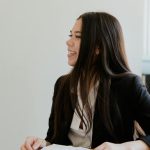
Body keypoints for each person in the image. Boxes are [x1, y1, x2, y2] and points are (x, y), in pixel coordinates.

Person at [20, 12, 150, 150]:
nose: (68, 42)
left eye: (78, 37)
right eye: (71, 35)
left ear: (98, 47)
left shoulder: (129, 85)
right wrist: (41, 143)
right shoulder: (63, 85)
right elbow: (54, 138)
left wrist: (124, 148)